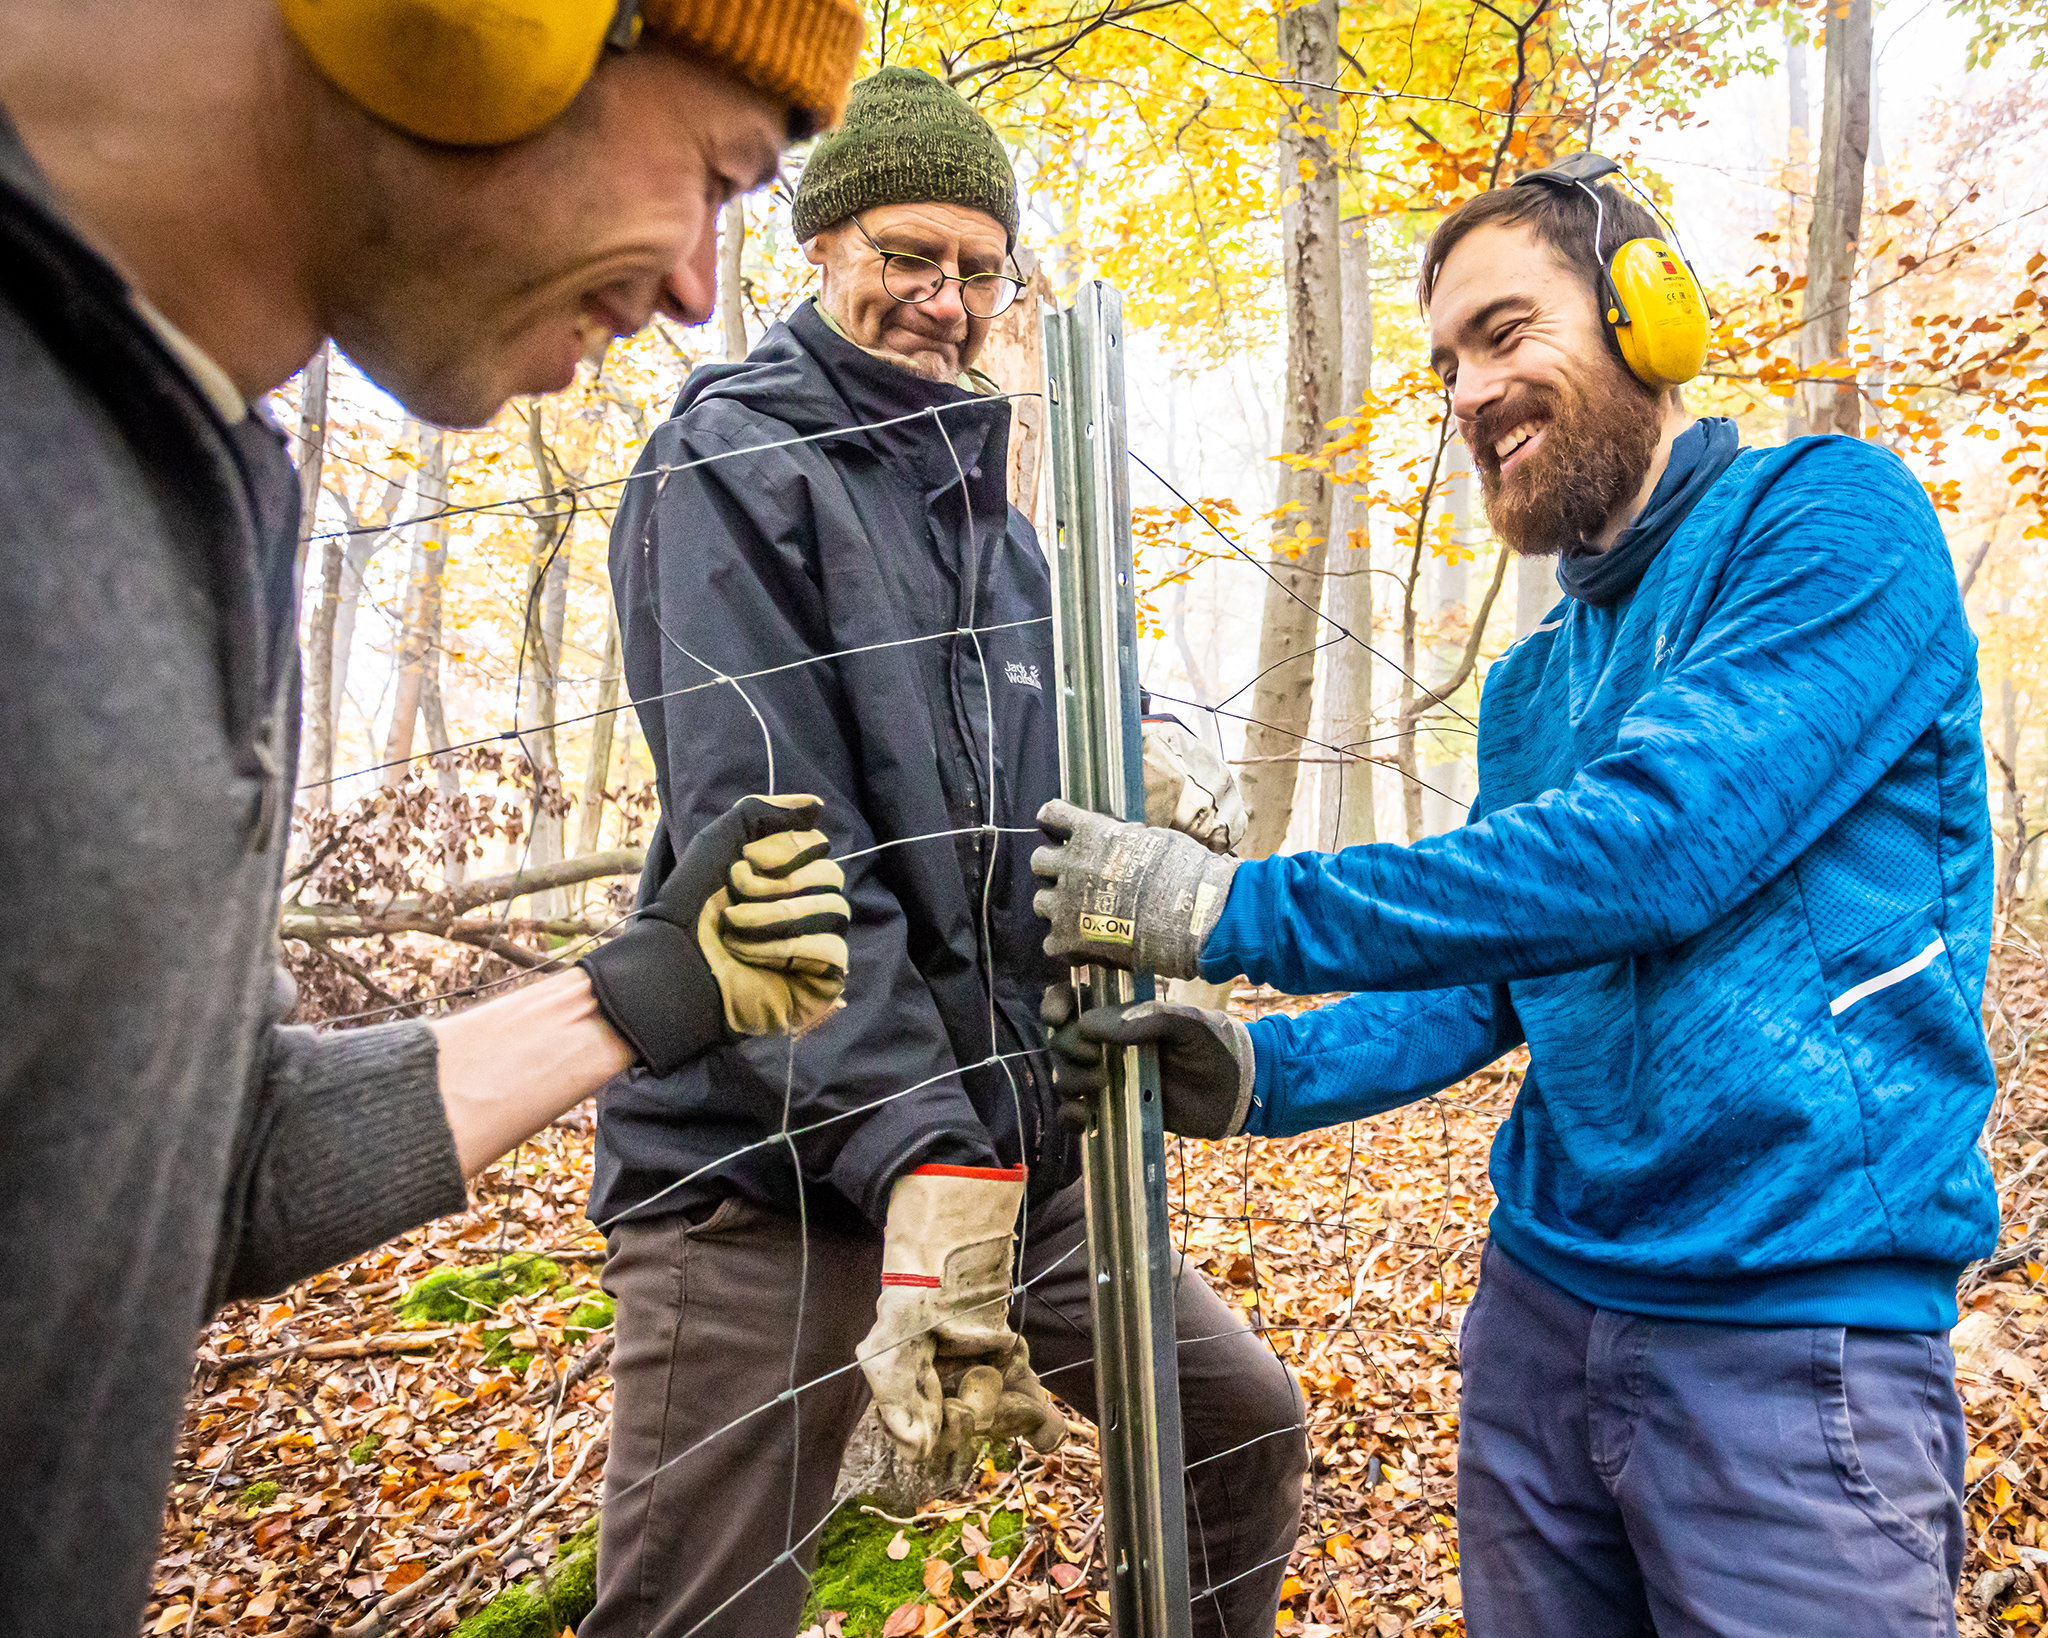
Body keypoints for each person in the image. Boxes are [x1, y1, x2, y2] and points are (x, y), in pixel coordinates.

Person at [1035, 158, 1995, 1637]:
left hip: (1795, 1327)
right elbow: (1495, 981)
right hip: (1541, 1318)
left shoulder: (1830, 523)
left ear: (1646, 316)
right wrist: (1262, 1070)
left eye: (1506, 332)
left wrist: (1229, 908)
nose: (1471, 394)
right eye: (1446, 365)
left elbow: (1655, 847)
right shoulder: (1536, 683)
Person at [0, 2, 865, 1632]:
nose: (700, 283)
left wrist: (640, 993)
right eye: (718, 173)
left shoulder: (206, 479)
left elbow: (197, 1164)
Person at [584, 65, 1303, 1638]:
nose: (946, 299)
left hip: (992, 1136)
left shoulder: (998, 531)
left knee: (1237, 1425)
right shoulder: (729, 469)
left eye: (980, 268)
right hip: (764, 1163)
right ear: (821, 248)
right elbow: (780, 846)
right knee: (700, 1607)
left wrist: (1138, 774)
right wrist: (927, 1155)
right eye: (907, 255)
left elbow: (1015, 828)